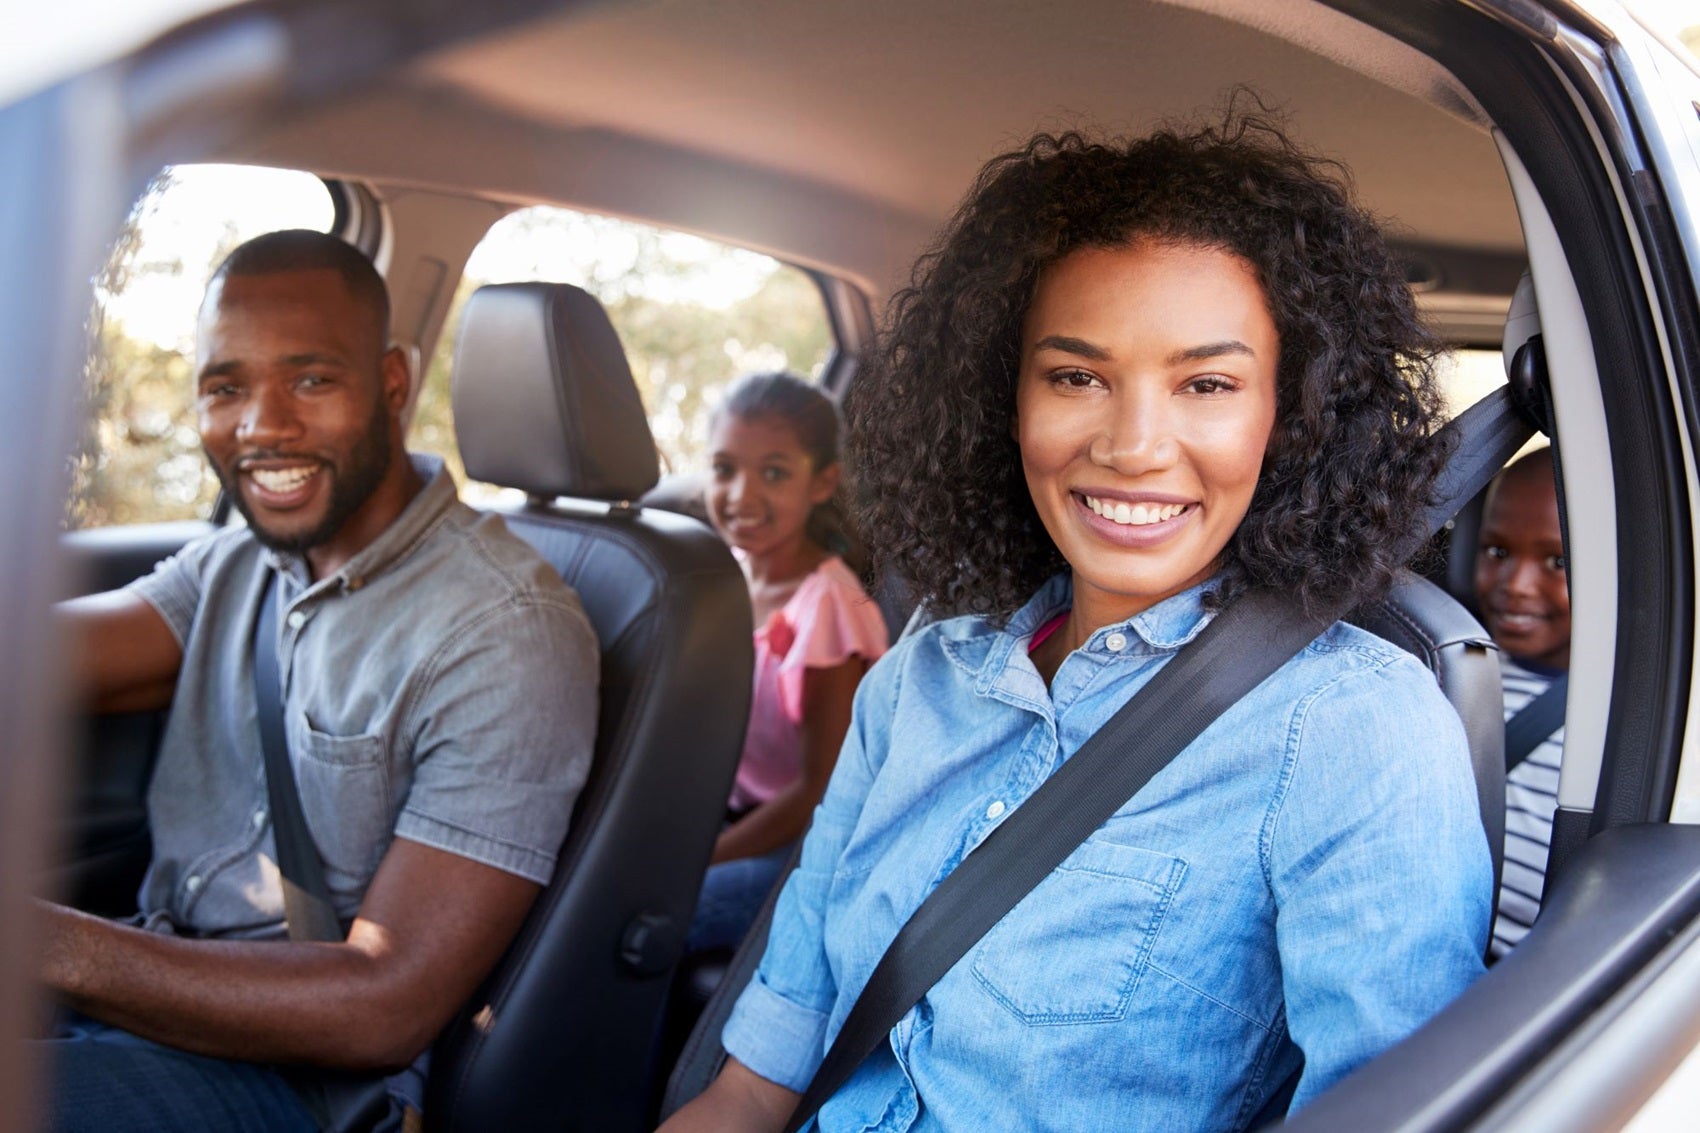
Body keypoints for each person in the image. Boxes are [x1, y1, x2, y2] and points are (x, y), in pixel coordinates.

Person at [662, 113, 1492, 1132]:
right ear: (999, 401)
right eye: (1074, 375)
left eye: (1205, 383)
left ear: (1291, 413)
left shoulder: (1349, 730)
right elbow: (752, 1086)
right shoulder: (918, 677)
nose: (1133, 444)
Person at [37, 230, 599, 1132]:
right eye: (226, 388)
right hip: (153, 991)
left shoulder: (505, 629)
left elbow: (386, 1000)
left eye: (310, 379)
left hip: (306, 1081)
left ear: (392, 383)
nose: (262, 426)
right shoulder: (235, 565)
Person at [688, 372, 889, 953]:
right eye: (725, 469)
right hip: (730, 817)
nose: (741, 496)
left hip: (800, 848)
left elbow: (817, 791)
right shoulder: (717, 575)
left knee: (649, 909)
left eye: (773, 473)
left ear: (822, 482)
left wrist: (700, 859)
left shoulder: (828, 607)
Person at [1475, 448, 1569, 959]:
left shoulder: (1635, 721)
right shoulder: (1456, 670)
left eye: (1557, 562)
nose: (1516, 586)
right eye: (1496, 552)